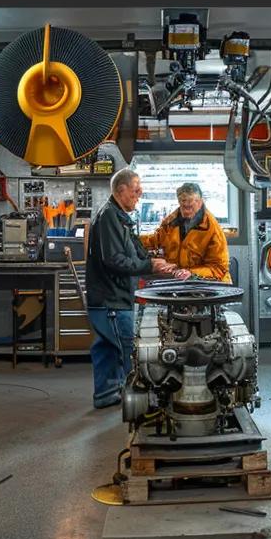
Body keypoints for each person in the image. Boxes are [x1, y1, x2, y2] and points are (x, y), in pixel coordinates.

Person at [84, 168, 172, 409]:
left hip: (109, 297)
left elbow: (133, 251)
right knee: (126, 350)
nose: (140, 194)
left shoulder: (118, 216)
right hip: (111, 299)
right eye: (136, 190)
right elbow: (114, 260)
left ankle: (105, 394)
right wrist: (149, 264)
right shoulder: (109, 216)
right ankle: (139, 403)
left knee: (106, 348)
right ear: (120, 190)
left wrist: (152, 262)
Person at [139, 182, 232, 284]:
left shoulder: (213, 229)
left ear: (200, 202)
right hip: (178, 282)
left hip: (209, 285)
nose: (186, 211)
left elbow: (219, 269)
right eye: (183, 206)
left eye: (190, 206)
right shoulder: (171, 222)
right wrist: (131, 239)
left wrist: (190, 272)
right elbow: (154, 240)